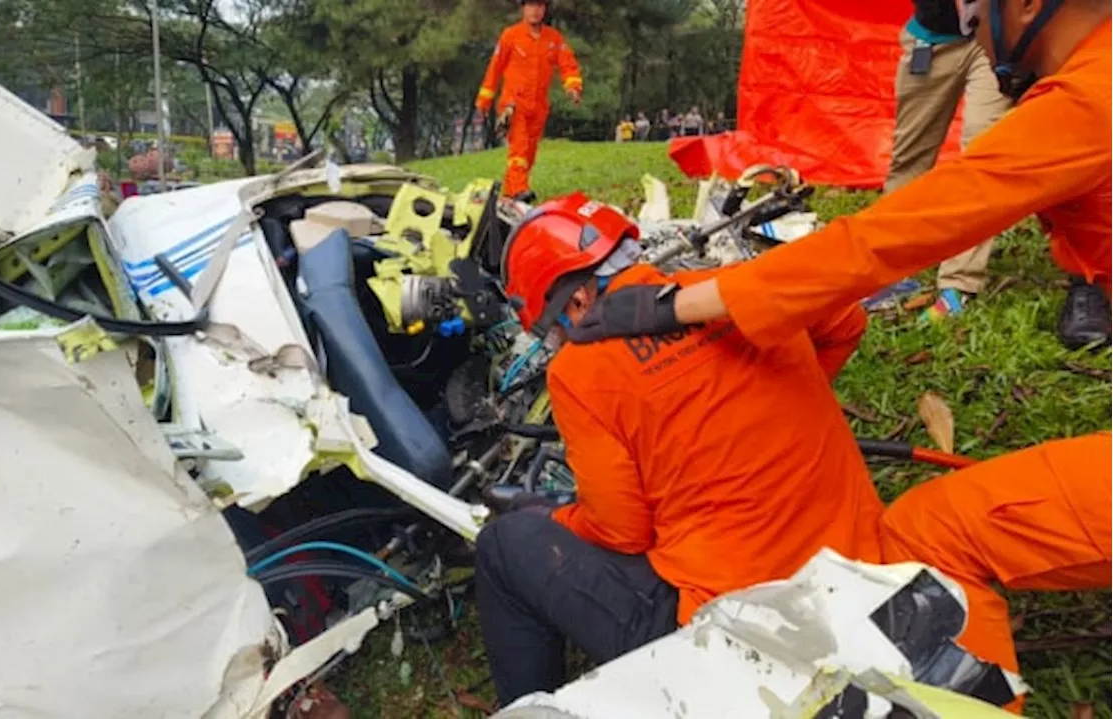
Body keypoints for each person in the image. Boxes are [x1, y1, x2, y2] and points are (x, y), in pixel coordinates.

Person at [567, 0, 1113, 709]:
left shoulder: (1090, 99)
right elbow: (847, 320)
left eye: (975, 5)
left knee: (931, 535)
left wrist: (678, 303)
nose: (965, 23)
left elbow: (893, 234)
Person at [475, 194, 885, 706]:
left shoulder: (581, 372)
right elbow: (847, 321)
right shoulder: (725, 292)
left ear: (577, 303)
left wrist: (556, 517)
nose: (556, 341)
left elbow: (622, 532)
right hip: (864, 575)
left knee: (503, 547)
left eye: (551, 328)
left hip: (739, 637)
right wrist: (770, 405)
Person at [885, 0, 1012, 322]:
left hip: (1000, 44)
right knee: (910, 158)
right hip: (932, 39)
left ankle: (959, 283)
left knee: (983, 158)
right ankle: (885, 264)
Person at [476, 0, 583, 204]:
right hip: (513, 103)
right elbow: (495, 68)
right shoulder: (510, 35)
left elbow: (567, 63)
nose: (535, 11)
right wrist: (484, 100)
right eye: (531, 5)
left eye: (539, 6)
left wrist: (573, 87)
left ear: (544, 9)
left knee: (530, 152)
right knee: (520, 147)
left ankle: (510, 194)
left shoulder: (553, 38)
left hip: (539, 106)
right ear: (523, 8)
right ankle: (519, 189)